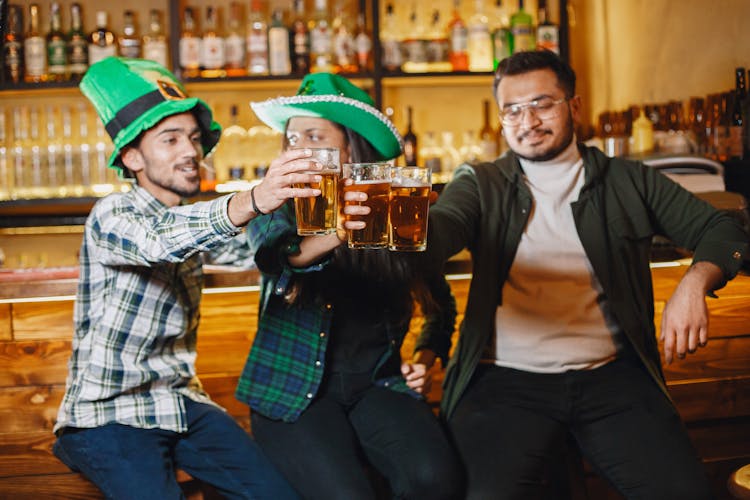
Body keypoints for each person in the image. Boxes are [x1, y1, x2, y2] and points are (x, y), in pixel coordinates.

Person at [419, 50, 749, 499]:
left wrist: (695, 283)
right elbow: (443, 230)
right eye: (512, 110)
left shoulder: (628, 180)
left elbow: (722, 226)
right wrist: (407, 231)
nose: (527, 120)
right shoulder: (479, 183)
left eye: (542, 103)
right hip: (505, 382)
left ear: (574, 106)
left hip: (611, 379)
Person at [52, 57, 321, 499]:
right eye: (171, 139)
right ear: (132, 156)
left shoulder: (188, 220)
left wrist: (337, 233)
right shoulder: (114, 213)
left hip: (179, 402)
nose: (190, 151)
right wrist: (254, 198)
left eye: (194, 139)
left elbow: (267, 255)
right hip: (108, 412)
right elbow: (159, 240)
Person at [235, 72, 464, 500]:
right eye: (292, 138)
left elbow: (439, 305)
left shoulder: (393, 205)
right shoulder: (274, 201)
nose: (298, 148)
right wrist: (340, 230)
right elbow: (280, 257)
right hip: (290, 392)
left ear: (351, 147)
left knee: (435, 478)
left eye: (314, 136)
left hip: (377, 385)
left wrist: (425, 359)